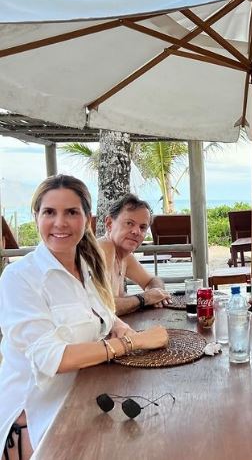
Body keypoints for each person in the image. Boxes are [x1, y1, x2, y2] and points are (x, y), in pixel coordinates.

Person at [0, 175, 168, 459]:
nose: (60, 223)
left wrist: (121, 327)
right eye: (49, 212)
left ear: (87, 220)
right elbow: (53, 358)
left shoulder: (86, 268)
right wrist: (133, 344)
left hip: (84, 399)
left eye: (71, 212)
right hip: (37, 420)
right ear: (36, 217)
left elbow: (103, 316)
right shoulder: (20, 277)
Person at [97, 194, 172, 316]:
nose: (136, 231)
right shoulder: (104, 248)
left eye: (142, 227)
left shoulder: (124, 257)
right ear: (109, 223)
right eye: (129, 223)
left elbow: (152, 280)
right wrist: (145, 298)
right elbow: (103, 307)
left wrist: (157, 293)